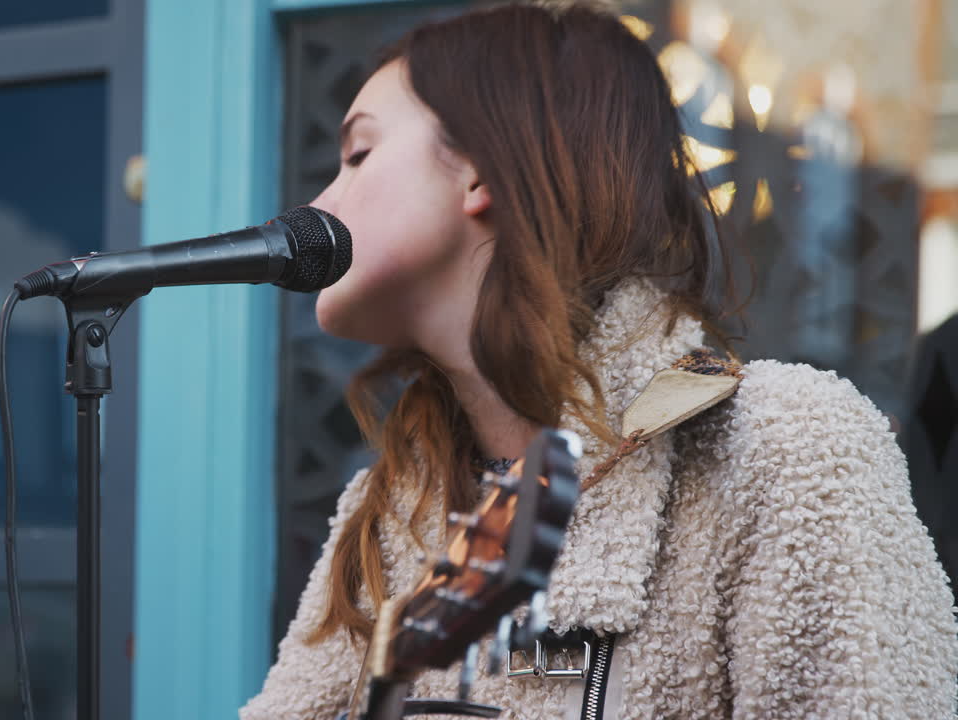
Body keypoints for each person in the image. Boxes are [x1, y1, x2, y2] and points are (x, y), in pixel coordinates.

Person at [241, 3, 958, 719]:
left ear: (482, 172)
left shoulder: (789, 446)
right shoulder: (390, 509)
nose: (319, 202)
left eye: (360, 154)